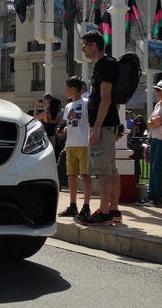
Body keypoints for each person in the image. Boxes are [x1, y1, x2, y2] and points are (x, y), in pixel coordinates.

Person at [77, 30, 121, 226]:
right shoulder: (105, 65)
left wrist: (96, 128)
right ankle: (112, 210)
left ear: (94, 45)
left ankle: (104, 212)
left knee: (103, 171)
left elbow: (106, 99)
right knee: (110, 170)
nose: (83, 50)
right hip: (107, 125)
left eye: (84, 45)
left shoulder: (105, 65)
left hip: (102, 126)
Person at [57, 76, 92, 220]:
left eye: (66, 88)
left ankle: (86, 206)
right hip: (70, 144)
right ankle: (73, 205)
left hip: (84, 144)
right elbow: (69, 123)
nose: (64, 90)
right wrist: (63, 130)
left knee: (85, 175)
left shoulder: (86, 103)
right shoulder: (68, 107)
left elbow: (90, 121)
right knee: (72, 176)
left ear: (73, 89)